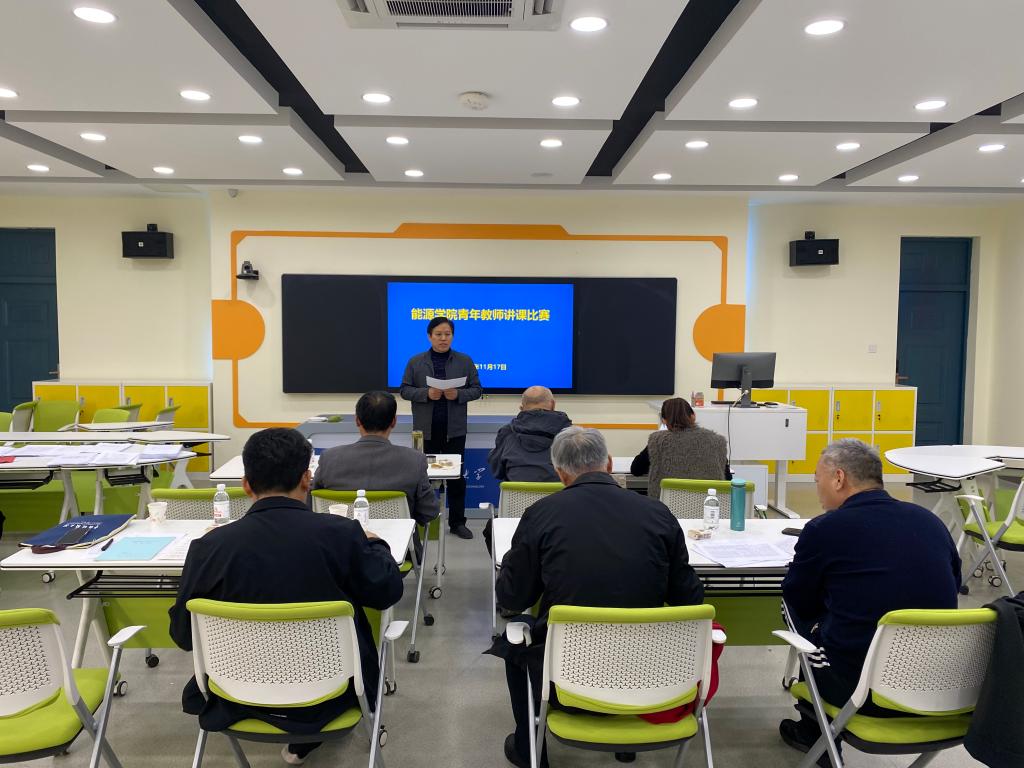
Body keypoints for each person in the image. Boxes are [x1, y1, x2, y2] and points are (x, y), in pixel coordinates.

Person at [169, 428, 403, 766]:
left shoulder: (210, 547)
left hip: (234, 697)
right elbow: (387, 591)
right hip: (334, 695)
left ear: (246, 485)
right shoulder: (342, 535)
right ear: (307, 479)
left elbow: (182, 636)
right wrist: (376, 543)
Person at [493, 426, 704, 768]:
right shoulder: (658, 513)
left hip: (567, 681)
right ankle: (625, 733)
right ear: (608, 463)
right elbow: (690, 599)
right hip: (653, 677)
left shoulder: (541, 514)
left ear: (560, 473)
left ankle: (528, 747)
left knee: (514, 636)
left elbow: (512, 598)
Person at [779, 439, 961, 764]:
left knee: (794, 609)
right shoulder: (931, 523)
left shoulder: (824, 529)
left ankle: (817, 735)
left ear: (839, 478)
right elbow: (953, 585)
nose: (817, 488)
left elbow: (799, 599)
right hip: (941, 689)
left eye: (818, 480)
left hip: (865, 693)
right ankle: (814, 729)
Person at [400, 316, 482, 539]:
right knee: (422, 478)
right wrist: (426, 393)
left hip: (454, 430)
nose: (443, 338)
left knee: (456, 478)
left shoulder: (464, 361)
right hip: (425, 431)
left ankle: (457, 522)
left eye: (447, 334)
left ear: (452, 336)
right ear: (429, 336)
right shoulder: (416, 361)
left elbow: (477, 389)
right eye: (438, 334)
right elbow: (404, 390)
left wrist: (459, 394)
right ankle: (422, 523)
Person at [313, 390, 440, 527]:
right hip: (397, 539)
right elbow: (429, 512)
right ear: (394, 422)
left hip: (341, 539)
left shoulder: (329, 459)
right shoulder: (414, 461)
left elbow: (310, 503)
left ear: (357, 420)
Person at [630, 396, 728, 497]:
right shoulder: (717, 441)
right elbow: (727, 477)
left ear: (664, 420)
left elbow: (636, 469)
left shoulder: (658, 441)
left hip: (665, 506)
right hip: (709, 505)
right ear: (693, 415)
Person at [487, 385, 572, 483]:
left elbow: (497, 471)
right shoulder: (569, 433)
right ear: (553, 405)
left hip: (516, 492)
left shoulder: (507, 432)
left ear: (521, 408)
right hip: (559, 492)